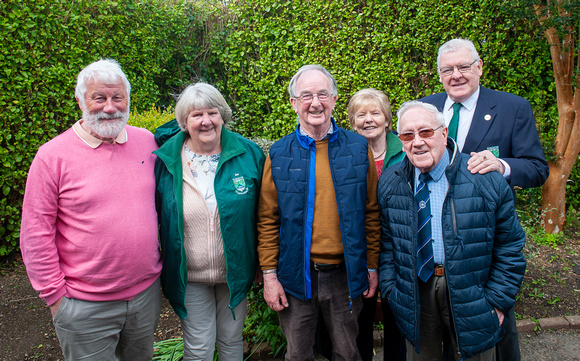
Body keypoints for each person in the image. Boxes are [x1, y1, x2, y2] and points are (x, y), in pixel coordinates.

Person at [20, 59, 162, 360]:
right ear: (80, 100)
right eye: (99, 98)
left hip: (144, 296)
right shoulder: (51, 156)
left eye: (117, 97)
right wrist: (55, 297)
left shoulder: (146, 142)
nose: (110, 107)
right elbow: (35, 233)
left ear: (128, 100)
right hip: (83, 306)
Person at [421, 38, 549, 361]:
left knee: (496, 332)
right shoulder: (425, 108)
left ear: (479, 68)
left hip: (485, 244)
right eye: (448, 69)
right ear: (439, 74)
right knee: (440, 337)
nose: (456, 75)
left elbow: (537, 168)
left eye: (464, 66)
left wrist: (502, 165)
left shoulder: (512, 107)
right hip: (435, 245)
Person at [378, 100, 527, 361]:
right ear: (400, 140)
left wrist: (496, 302)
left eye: (426, 132)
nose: (418, 142)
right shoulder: (391, 181)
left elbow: (510, 245)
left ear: (444, 133)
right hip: (416, 292)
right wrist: (392, 289)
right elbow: (387, 243)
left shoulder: (483, 177)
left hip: (473, 291)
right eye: (408, 135)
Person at [257, 64, 381, 361]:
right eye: (307, 95)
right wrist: (270, 276)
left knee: (347, 353)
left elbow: (371, 213)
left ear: (335, 99)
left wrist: (372, 266)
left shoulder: (357, 147)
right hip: (295, 275)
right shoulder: (279, 153)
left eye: (323, 94)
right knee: (298, 355)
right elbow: (268, 220)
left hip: (345, 275)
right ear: (293, 103)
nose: (316, 103)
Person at [154, 82, 265, 361]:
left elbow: (264, 215)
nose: (206, 122)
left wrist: (265, 265)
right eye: (196, 115)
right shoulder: (166, 160)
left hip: (235, 273)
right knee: (199, 348)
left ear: (222, 115)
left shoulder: (249, 154)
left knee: (231, 342)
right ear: (184, 121)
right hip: (190, 275)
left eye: (212, 113)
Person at [314, 88, 406, 361]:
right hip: (356, 250)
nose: (368, 120)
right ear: (351, 122)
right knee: (356, 323)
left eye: (375, 113)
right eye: (360, 115)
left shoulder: (406, 151)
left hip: (398, 249)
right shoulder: (342, 152)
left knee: (398, 320)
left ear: (387, 120)